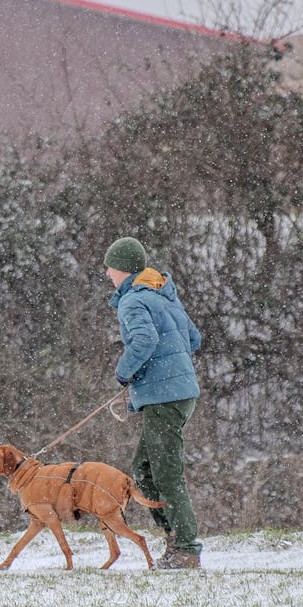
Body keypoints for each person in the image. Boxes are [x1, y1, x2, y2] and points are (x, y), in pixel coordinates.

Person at [103, 236, 203, 569]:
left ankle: (186, 548)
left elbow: (144, 340)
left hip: (165, 397)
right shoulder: (161, 294)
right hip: (181, 393)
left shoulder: (133, 300)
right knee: (143, 471)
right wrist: (168, 368)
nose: (107, 274)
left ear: (124, 269)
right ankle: (175, 540)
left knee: (166, 474)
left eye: (110, 267)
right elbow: (193, 338)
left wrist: (123, 372)